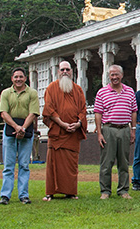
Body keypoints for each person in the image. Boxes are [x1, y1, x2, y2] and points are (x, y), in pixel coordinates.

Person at [42, 61, 88, 201]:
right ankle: (50, 192)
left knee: (71, 165)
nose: (65, 72)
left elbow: (83, 110)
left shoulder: (78, 90)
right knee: (53, 164)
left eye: (68, 69)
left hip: (72, 134)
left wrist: (78, 123)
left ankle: (70, 192)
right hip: (58, 133)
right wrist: (62, 124)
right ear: (58, 72)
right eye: (62, 69)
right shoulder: (51, 88)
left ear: (72, 72)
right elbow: (49, 109)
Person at [94, 64, 137, 200]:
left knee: (124, 162)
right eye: (112, 75)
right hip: (109, 129)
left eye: (116, 74)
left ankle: (123, 190)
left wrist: (133, 130)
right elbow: (98, 113)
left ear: (122, 75)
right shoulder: (102, 92)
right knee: (106, 162)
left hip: (124, 129)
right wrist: (99, 133)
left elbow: (134, 111)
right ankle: (105, 191)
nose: (114, 77)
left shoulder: (130, 91)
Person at [0, 67, 39, 205]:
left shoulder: (32, 93)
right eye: (16, 77)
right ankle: (5, 195)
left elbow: (33, 113)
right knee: (8, 165)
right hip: (10, 128)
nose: (18, 79)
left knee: (24, 165)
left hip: (26, 127)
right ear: (12, 79)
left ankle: (23, 195)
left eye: (21, 77)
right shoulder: (5, 93)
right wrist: (16, 127)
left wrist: (23, 128)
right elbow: (3, 113)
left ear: (25, 78)